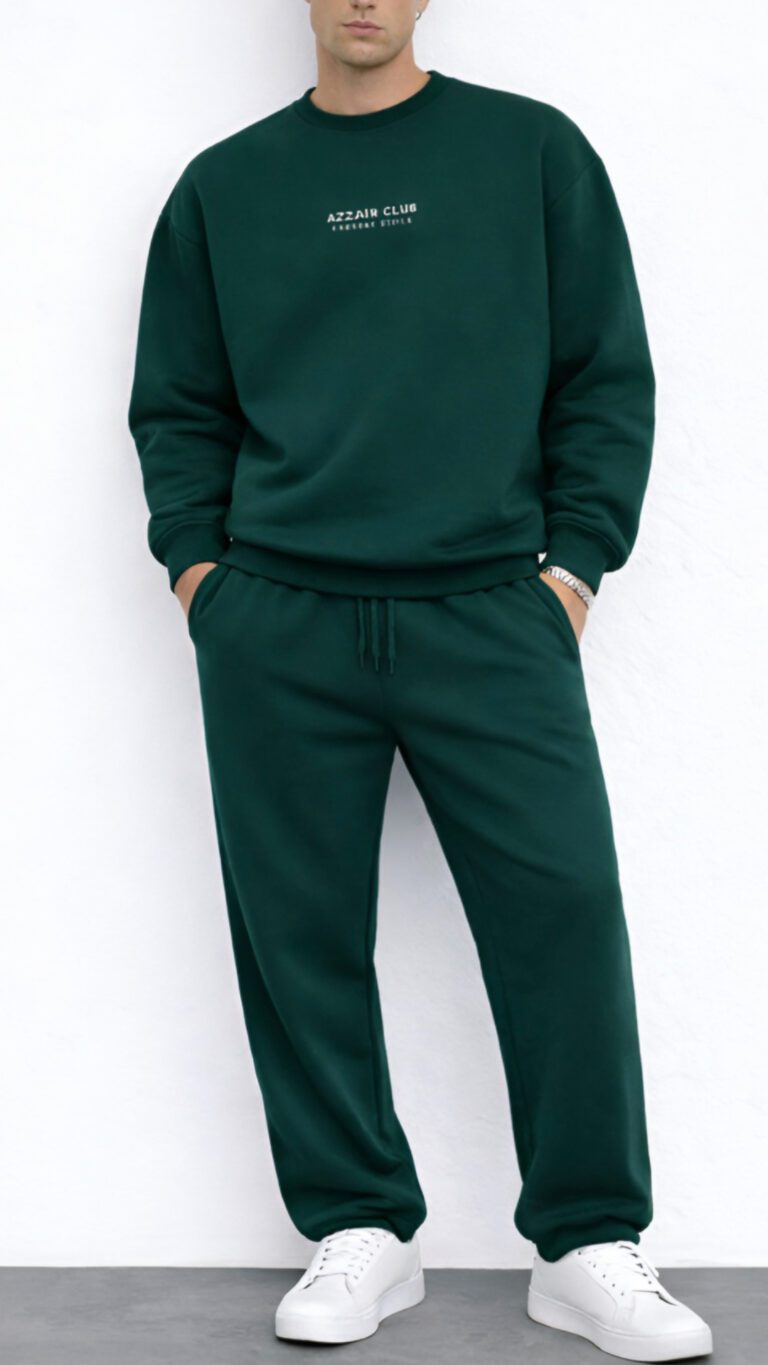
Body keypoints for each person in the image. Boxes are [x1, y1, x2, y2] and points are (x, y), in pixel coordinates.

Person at [127, 1, 713, 1358]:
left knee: (562, 911)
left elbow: (603, 374)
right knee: (298, 932)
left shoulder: (531, 153)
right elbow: (179, 406)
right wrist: (203, 577)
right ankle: (360, 1227)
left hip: (490, 607)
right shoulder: (226, 187)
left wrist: (574, 569)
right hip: (280, 619)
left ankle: (587, 1239)